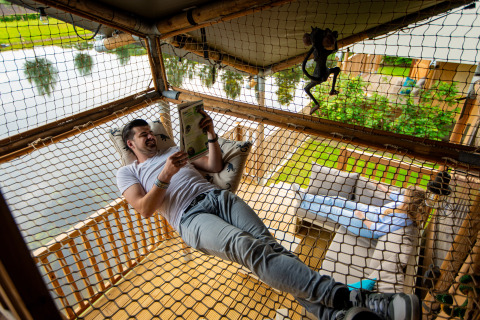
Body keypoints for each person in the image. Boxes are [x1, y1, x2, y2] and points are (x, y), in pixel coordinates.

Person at [116, 111, 421, 320]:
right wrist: (165, 174)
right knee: (247, 248)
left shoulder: (176, 153)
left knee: (271, 251)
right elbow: (144, 208)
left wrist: (210, 134)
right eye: (144, 136)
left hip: (219, 198)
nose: (151, 138)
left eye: (151, 134)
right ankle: (360, 301)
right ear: (131, 144)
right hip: (190, 218)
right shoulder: (129, 172)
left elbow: (216, 167)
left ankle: (332, 314)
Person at [301, 184, 427, 238]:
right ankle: (305, 196)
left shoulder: (404, 219)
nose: (404, 193)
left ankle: (304, 203)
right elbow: (395, 195)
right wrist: (381, 187)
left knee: (334, 210)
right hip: (370, 211)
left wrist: (362, 217)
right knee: (339, 200)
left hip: (366, 226)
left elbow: (378, 229)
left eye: (406, 193)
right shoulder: (404, 202)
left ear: (410, 200)